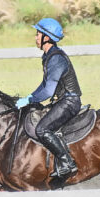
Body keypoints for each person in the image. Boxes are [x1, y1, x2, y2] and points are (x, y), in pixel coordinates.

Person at [16, 18, 82, 180]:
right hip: (62, 101)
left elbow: (48, 91)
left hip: (69, 102)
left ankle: (67, 162)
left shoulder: (56, 59)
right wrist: (30, 96)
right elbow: (43, 85)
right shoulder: (48, 57)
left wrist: (31, 100)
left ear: (47, 37)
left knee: (42, 129)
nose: (36, 37)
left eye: (38, 34)